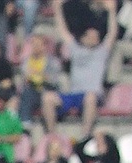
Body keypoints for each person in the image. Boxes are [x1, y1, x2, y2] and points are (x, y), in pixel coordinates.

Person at [44, 0, 117, 137]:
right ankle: (52, 135)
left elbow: (112, 34)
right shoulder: (76, 49)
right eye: (90, 35)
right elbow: (62, 30)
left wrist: (112, 12)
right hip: (74, 94)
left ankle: (85, 134)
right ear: (83, 38)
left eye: (96, 35)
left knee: (90, 97)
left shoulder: (101, 52)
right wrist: (58, 8)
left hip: (91, 95)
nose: (94, 37)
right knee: (48, 98)